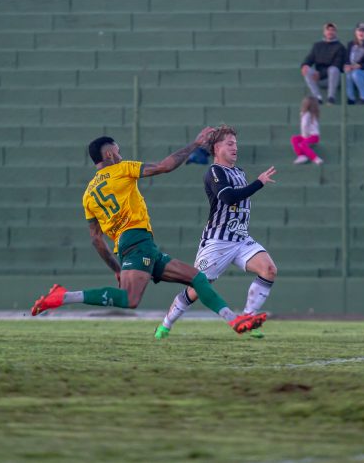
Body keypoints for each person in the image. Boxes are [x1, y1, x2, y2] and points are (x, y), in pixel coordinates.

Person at [31, 129, 267, 336]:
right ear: (110, 155)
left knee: (197, 278)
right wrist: (195, 145)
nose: (121, 155)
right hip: (136, 241)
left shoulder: (88, 194)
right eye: (118, 151)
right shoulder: (122, 169)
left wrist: (116, 268)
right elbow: (165, 166)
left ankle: (235, 320)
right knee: (129, 300)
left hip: (136, 246)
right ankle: (64, 296)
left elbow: (96, 240)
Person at [154, 125, 278, 339]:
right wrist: (259, 183)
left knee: (269, 269)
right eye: (230, 144)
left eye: (236, 144)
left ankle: (248, 318)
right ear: (216, 147)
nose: (235, 148)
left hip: (240, 238)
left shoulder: (239, 172)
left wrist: (254, 183)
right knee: (197, 288)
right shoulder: (214, 172)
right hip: (217, 242)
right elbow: (228, 197)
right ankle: (165, 324)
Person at [300, 22, 345, 105]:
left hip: (335, 79)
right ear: (324, 32)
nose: (330, 32)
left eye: (333, 30)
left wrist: (320, 74)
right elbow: (310, 58)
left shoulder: (340, 47)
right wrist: (304, 65)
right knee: (307, 70)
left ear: (336, 32)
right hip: (319, 78)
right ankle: (318, 98)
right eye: (328, 30)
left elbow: (337, 65)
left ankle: (331, 98)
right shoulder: (317, 45)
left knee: (333, 69)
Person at [291, 97, 322, 165]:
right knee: (294, 139)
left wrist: (305, 136)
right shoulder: (312, 114)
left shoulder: (307, 114)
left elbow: (304, 126)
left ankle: (315, 158)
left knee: (302, 144)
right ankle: (301, 156)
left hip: (312, 136)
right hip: (309, 136)